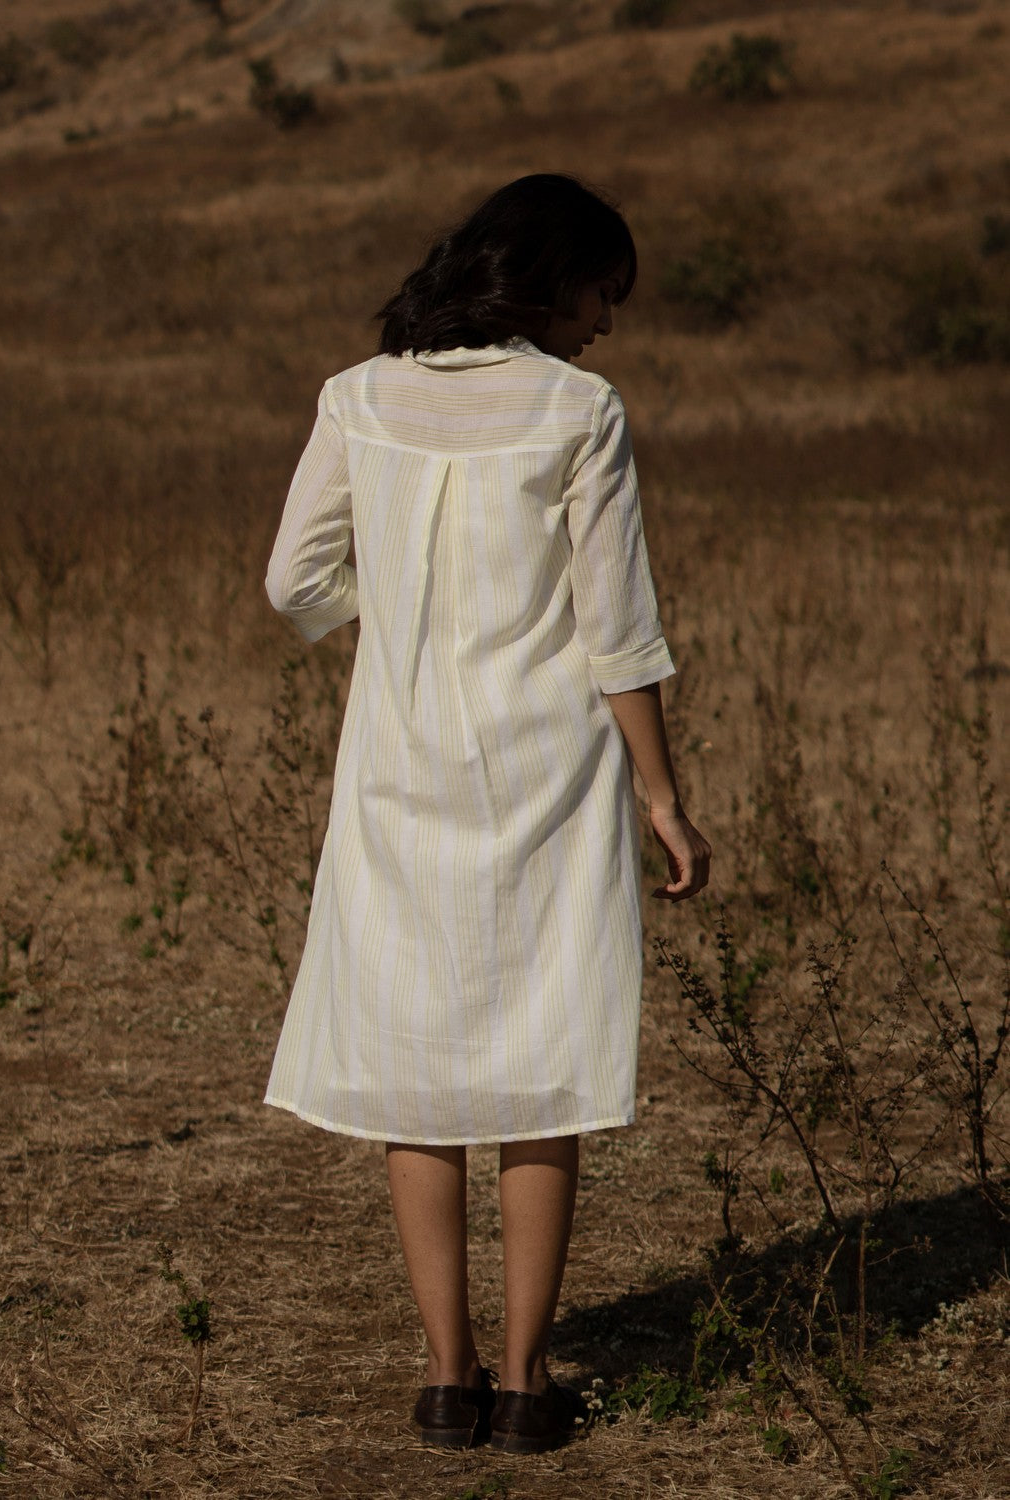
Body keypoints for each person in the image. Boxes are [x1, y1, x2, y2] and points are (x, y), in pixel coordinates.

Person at [264, 173, 711, 1455]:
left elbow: (294, 582)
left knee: (418, 1078)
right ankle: (524, 1386)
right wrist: (662, 794)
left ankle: (445, 1379)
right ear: (548, 276)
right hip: (549, 778)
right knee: (540, 1067)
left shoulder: (361, 394)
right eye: (600, 294)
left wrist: (394, 601)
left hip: (398, 774)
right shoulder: (580, 411)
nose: (606, 325)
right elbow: (618, 628)